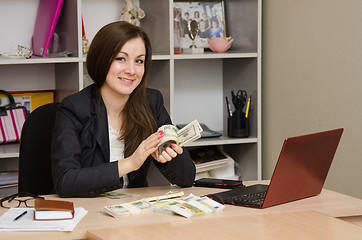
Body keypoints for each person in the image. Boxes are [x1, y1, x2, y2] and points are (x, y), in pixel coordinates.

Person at [51, 21, 196, 198]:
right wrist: (130, 163)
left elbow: (187, 177)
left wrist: (166, 156)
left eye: (139, 61)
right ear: (101, 59)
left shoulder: (151, 102)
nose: (131, 70)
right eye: (121, 59)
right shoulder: (74, 108)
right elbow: (65, 181)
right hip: (90, 211)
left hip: (136, 212)